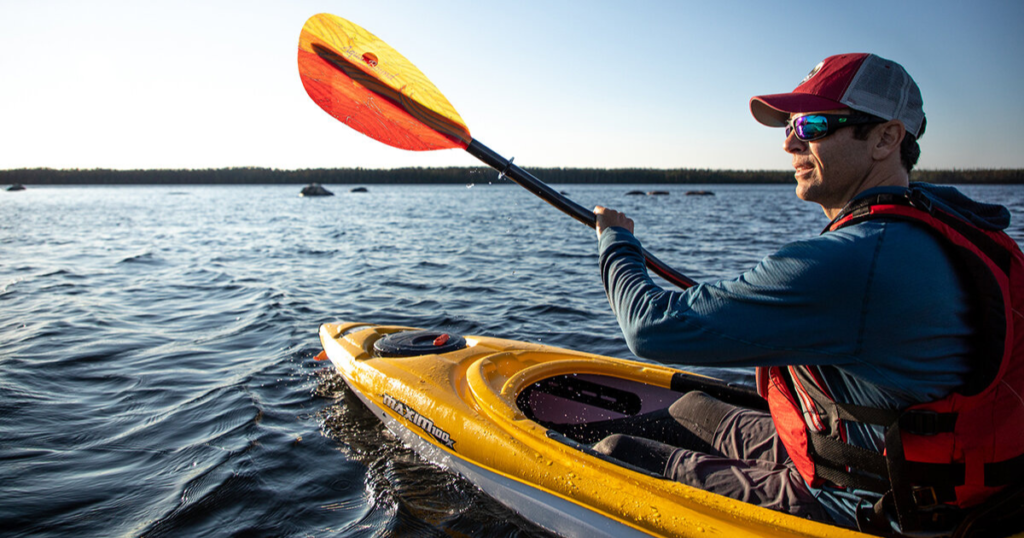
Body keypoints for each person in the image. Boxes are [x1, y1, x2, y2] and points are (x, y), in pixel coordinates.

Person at [591, 53, 1024, 534]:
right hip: (880, 458)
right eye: (790, 126)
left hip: (872, 504)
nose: (791, 142)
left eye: (813, 125)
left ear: (887, 138)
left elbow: (648, 328)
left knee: (617, 454)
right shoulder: (945, 223)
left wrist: (616, 241)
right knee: (689, 408)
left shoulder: (852, 261)